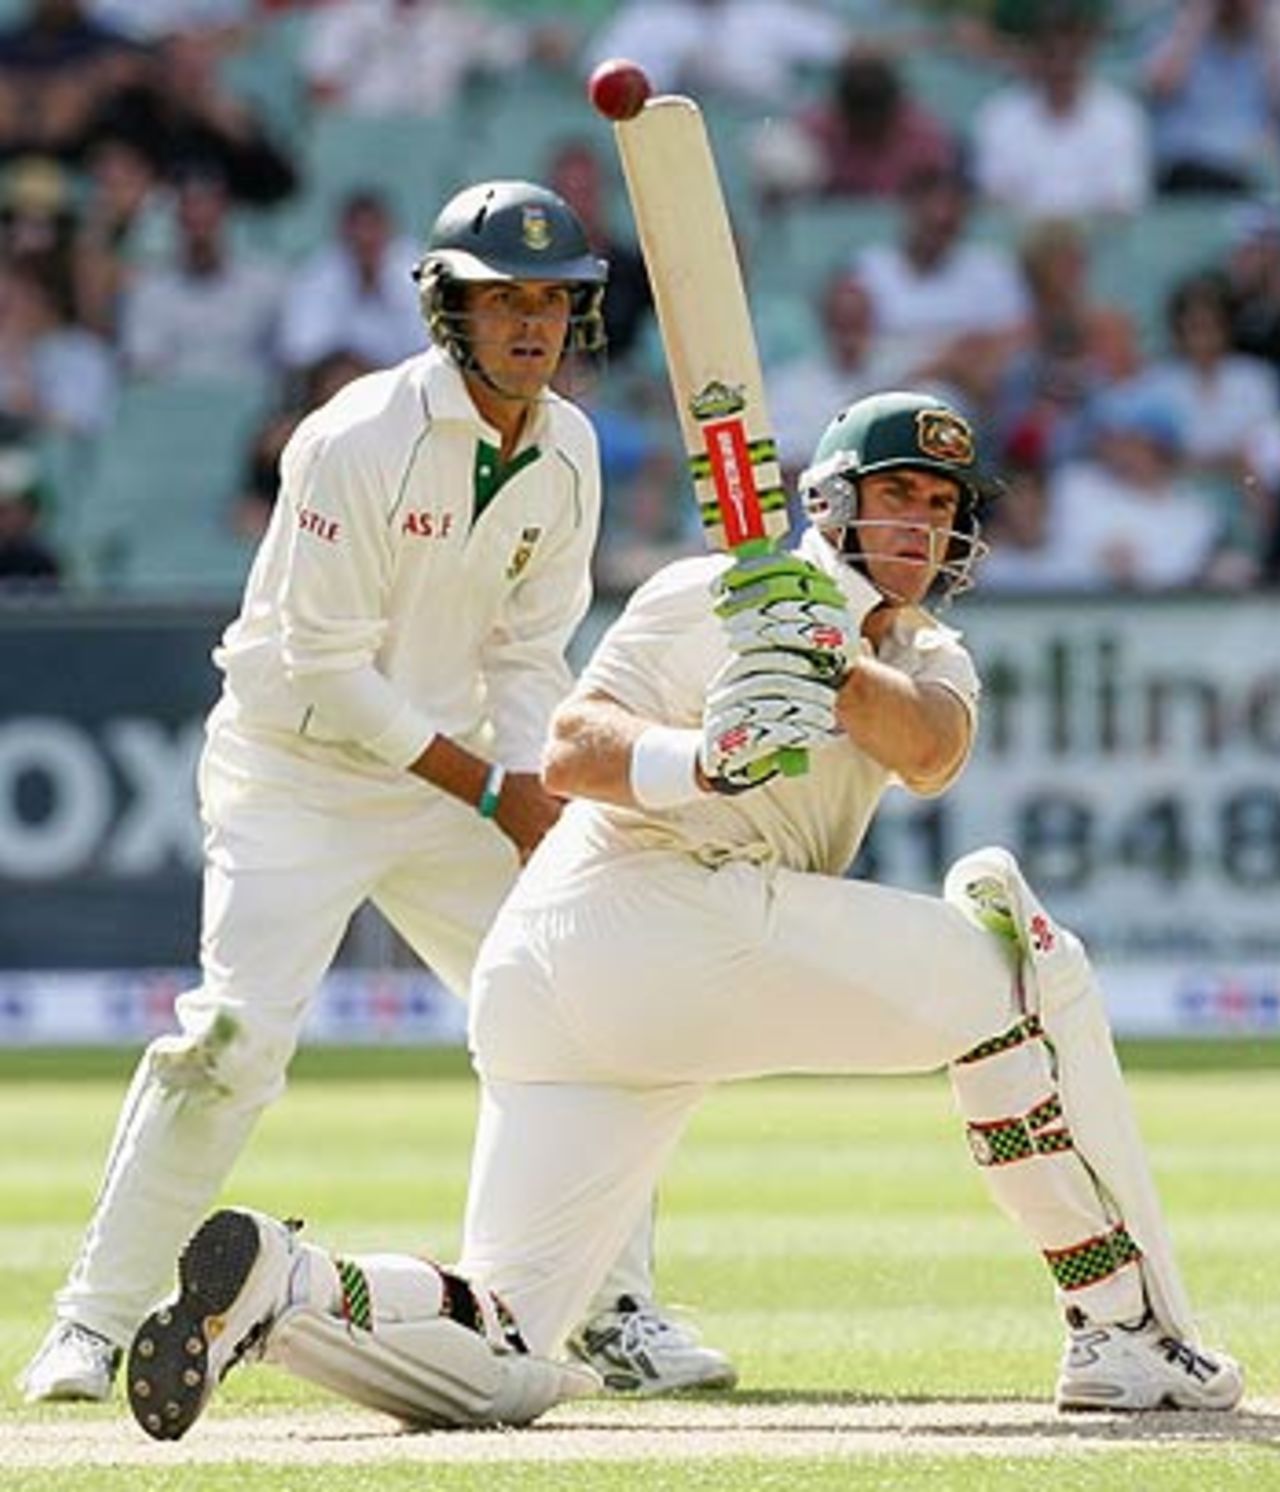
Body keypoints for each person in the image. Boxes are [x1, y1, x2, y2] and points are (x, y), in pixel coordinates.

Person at [120, 390, 1243, 1440]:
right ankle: (1121, 1330)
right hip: (634, 907)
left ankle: (289, 1281)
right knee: (1016, 978)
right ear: (833, 503)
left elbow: (932, 750)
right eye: (898, 495)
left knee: (505, 1346)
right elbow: (569, 750)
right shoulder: (702, 592)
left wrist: (829, 662)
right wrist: (700, 760)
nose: (921, 525)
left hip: (589, 988)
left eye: (941, 506)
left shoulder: (923, 652)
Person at [20, 178, 734, 1408]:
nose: (528, 326)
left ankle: (610, 1310)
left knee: (577, 1008)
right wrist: (492, 792)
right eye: (498, 300)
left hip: (447, 776)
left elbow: (523, 652)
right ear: (447, 314)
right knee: (232, 1039)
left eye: (550, 303)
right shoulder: (354, 437)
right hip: (293, 773)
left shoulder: (564, 452)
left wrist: (538, 792)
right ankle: (90, 1323)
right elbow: (326, 672)